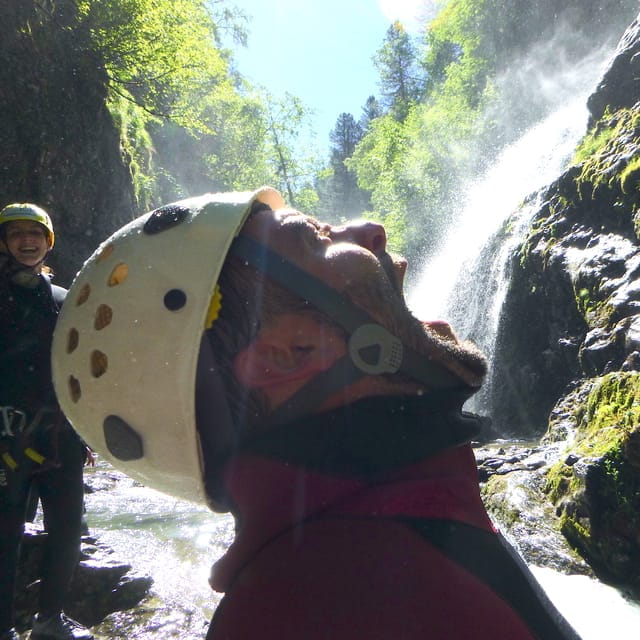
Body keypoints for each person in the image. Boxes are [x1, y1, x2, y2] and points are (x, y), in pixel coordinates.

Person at [52, 188, 582, 639]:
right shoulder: (347, 599)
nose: (372, 232)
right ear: (288, 354)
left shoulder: (344, 563)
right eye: (314, 237)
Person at [0, 204, 93, 640]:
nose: (26, 240)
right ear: (4, 243)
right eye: (16, 233)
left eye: (35, 233)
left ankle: (49, 620)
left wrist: (85, 429)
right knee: (5, 535)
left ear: (48, 242)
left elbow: (80, 367)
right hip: (5, 436)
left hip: (59, 434)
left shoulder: (64, 300)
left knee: (67, 527)